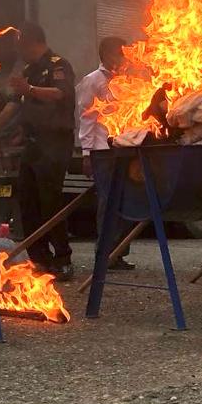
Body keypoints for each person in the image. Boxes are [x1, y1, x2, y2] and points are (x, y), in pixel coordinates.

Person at [9, 23, 76, 280]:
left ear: (32, 42)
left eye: (21, 46)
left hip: (55, 142)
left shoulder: (58, 65)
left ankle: (62, 258)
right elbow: (16, 105)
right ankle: (38, 258)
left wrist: (31, 90)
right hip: (33, 142)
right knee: (27, 200)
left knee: (50, 200)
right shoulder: (28, 70)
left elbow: (60, 94)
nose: (19, 52)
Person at [77, 36, 136, 271]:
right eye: (118, 54)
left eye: (124, 54)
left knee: (126, 200)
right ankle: (104, 253)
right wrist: (86, 153)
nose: (122, 59)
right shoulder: (92, 81)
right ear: (105, 56)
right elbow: (86, 118)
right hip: (103, 151)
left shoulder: (128, 81)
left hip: (125, 148)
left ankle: (118, 253)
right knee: (107, 202)